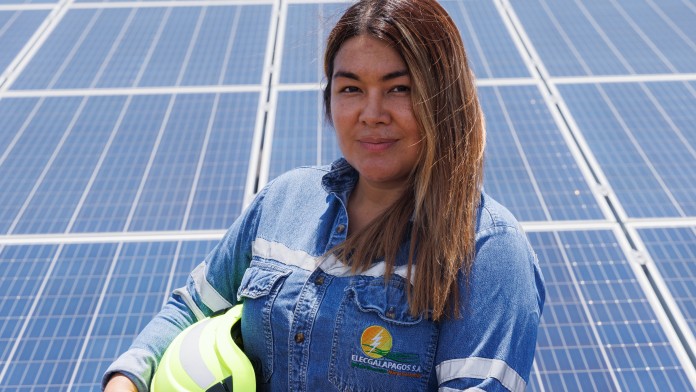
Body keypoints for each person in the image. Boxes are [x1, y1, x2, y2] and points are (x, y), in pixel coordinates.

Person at [103, 0, 545, 390]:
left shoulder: (487, 251)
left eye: (399, 88)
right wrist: (127, 379)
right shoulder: (284, 201)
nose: (371, 114)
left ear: (443, 98)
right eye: (351, 88)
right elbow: (192, 309)